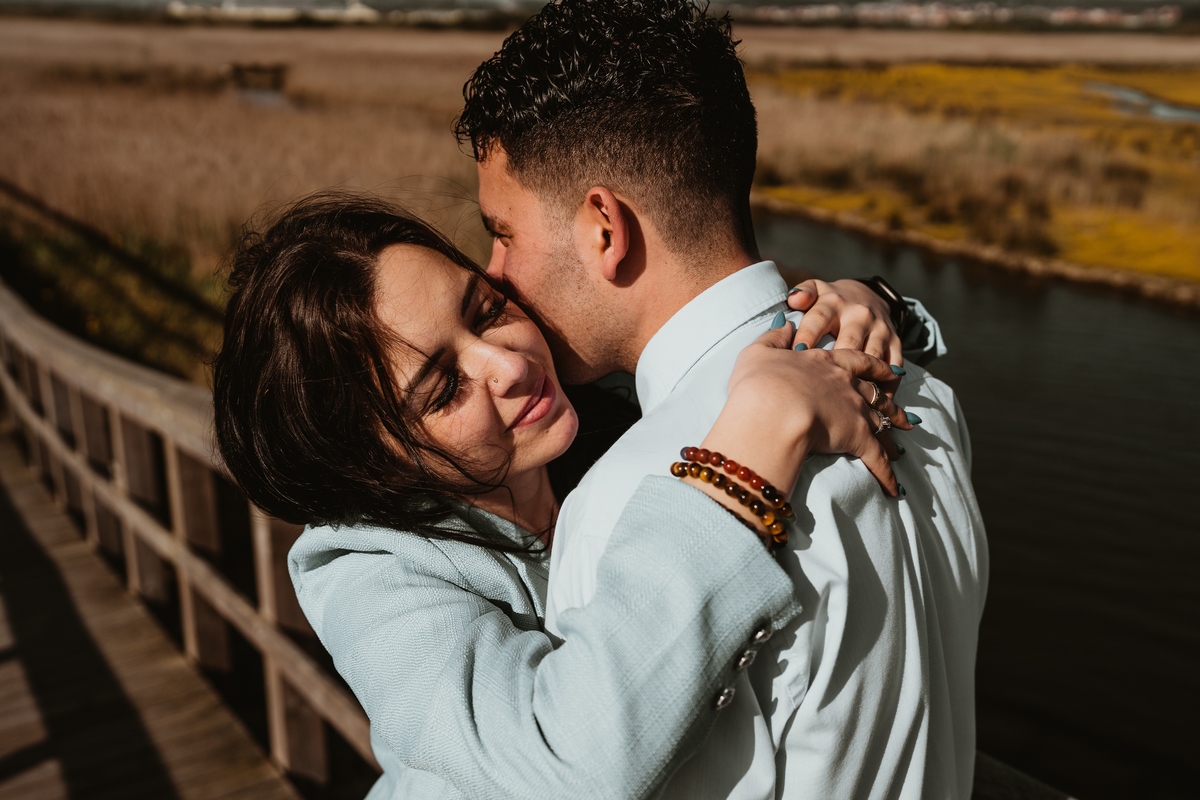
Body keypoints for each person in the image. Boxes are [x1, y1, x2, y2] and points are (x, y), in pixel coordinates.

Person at [212, 195, 924, 799]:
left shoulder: (600, 427)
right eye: (442, 388)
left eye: (486, 310)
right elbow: (566, 763)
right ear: (374, 467)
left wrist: (869, 304)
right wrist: (746, 461)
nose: (510, 364)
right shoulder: (370, 580)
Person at [456, 1, 989, 798]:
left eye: (503, 232)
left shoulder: (630, 506)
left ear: (605, 228)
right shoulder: (925, 399)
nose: (493, 273)